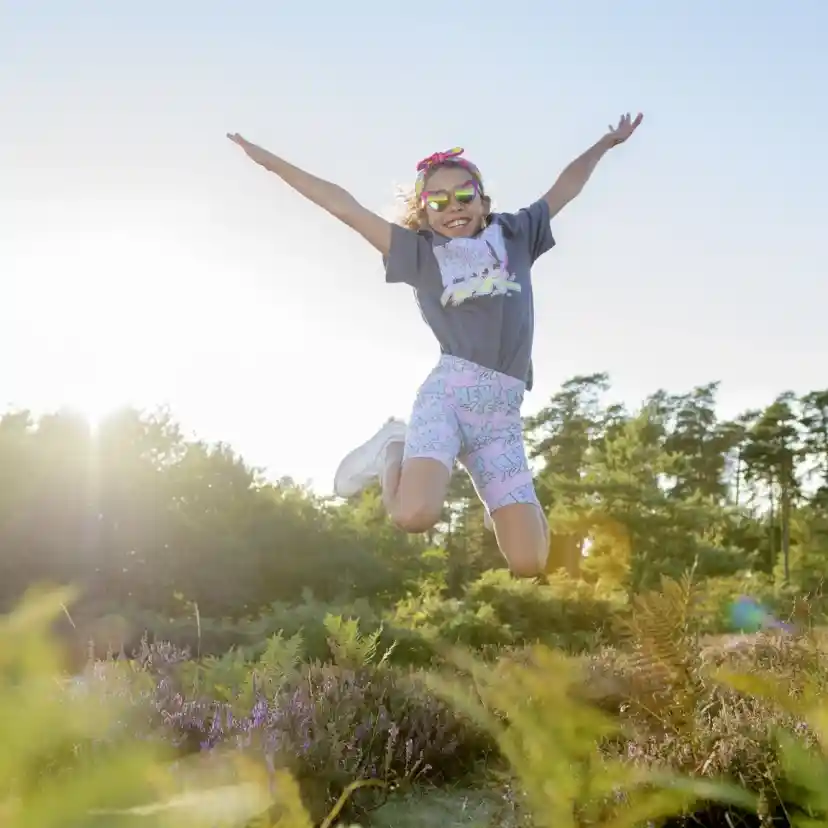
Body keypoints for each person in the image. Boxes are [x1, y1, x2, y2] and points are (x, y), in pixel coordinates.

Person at [227, 112, 643, 577]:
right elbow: (344, 206)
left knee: (530, 563)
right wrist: (270, 163)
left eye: (464, 196)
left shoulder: (516, 235)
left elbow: (566, 186)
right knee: (413, 516)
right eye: (437, 201)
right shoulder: (421, 255)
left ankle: (503, 495)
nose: (453, 207)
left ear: (484, 201)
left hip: (501, 421)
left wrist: (606, 143)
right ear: (424, 211)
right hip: (449, 400)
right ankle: (393, 447)